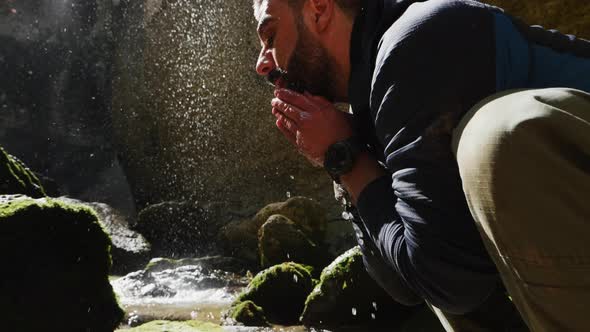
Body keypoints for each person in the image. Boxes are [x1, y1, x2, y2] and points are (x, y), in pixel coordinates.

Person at [252, 0, 590, 330]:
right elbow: (407, 287)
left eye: (270, 36)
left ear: (319, 9)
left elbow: (449, 284)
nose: (261, 65)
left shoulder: (416, 41)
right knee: (438, 231)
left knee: (493, 136)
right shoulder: (367, 103)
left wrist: (349, 159)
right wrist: (343, 159)